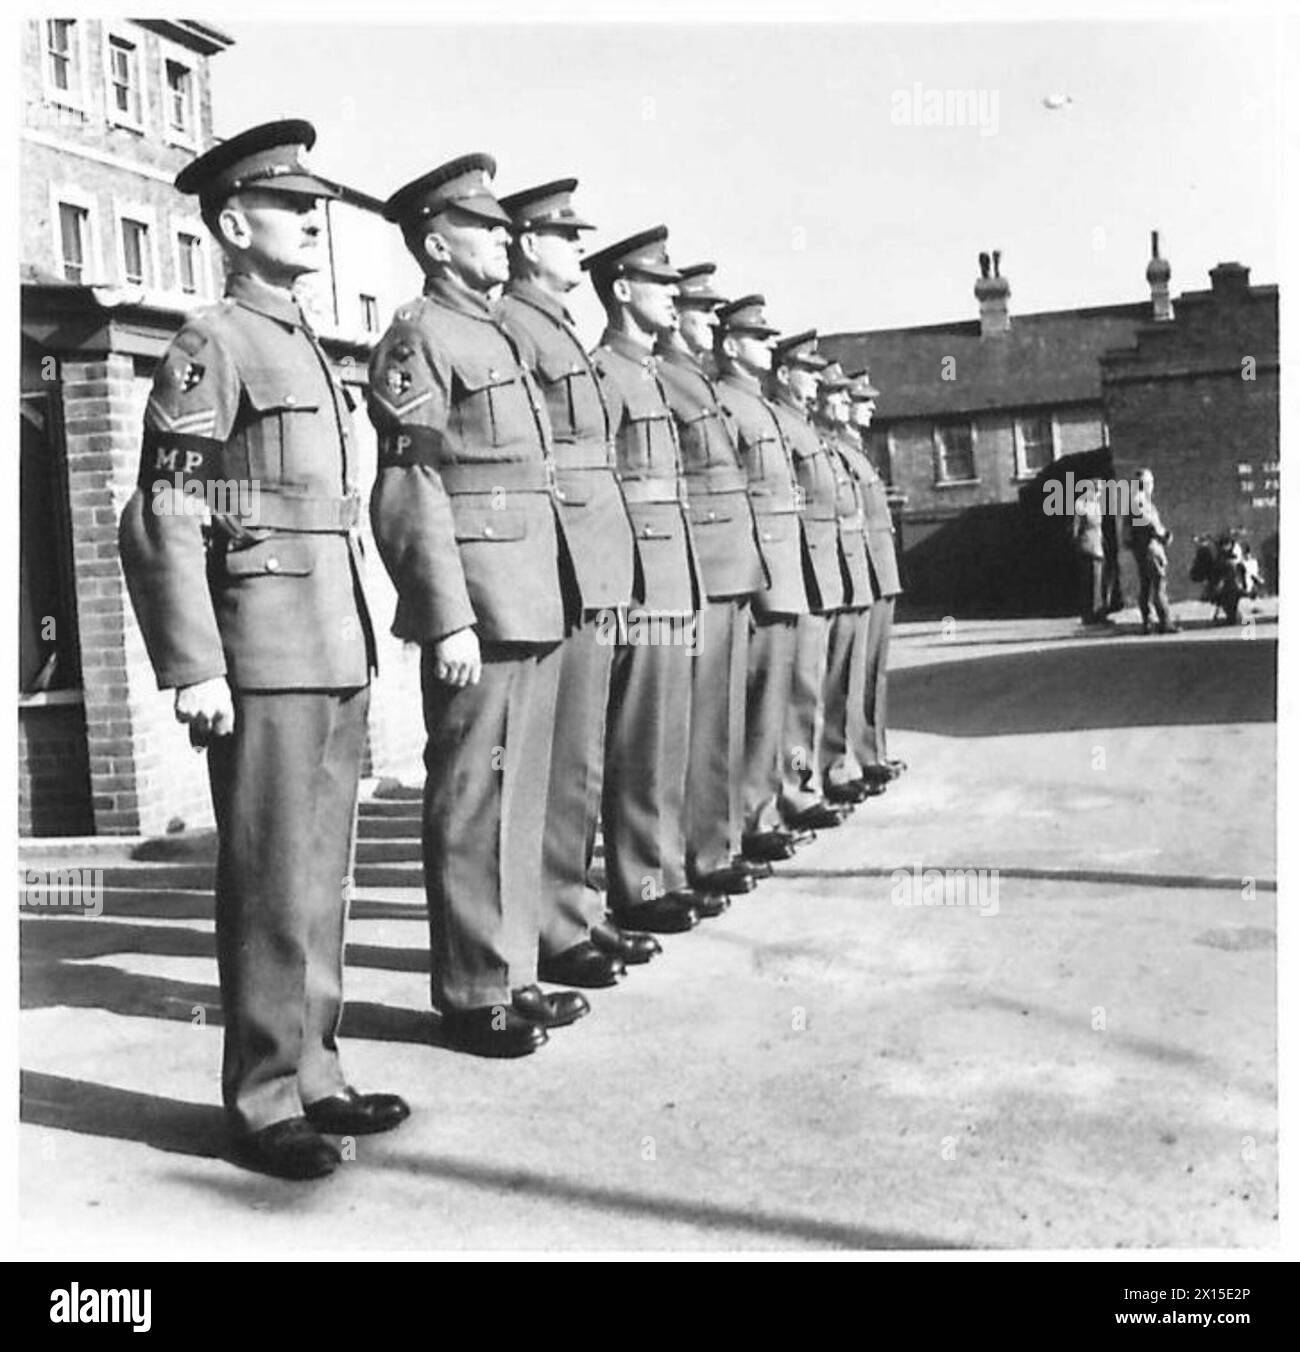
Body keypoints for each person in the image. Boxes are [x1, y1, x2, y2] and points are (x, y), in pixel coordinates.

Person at [118, 120, 409, 1181]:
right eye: (291, 206)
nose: (311, 219)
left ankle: (316, 1071)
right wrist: (194, 664)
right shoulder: (215, 341)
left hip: (330, 639)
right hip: (262, 648)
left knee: (321, 876)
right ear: (236, 225)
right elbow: (164, 508)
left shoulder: (301, 341)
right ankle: (261, 1096)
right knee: (267, 878)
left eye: (312, 205)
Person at [368, 153, 588, 1058]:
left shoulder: (494, 334)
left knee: (520, 794)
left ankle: (514, 973)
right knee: (472, 797)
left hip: (532, 590)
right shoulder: (420, 338)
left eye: (505, 226)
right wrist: (444, 612)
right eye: (485, 226)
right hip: (482, 604)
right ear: (436, 242)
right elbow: (407, 486)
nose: (504, 237)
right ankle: (469, 992)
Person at [494, 177, 661, 982]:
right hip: (553, 560)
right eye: (565, 236)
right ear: (528, 244)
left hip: (594, 560)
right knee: (551, 762)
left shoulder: (556, 332)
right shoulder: (513, 329)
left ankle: (573, 911)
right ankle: (548, 929)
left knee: (580, 757)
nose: (578, 247)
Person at [583, 227, 728, 933]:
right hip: (639, 574)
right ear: (621, 290)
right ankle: (639, 884)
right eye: (659, 283)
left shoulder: (650, 373)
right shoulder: (603, 373)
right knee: (639, 739)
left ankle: (667, 871)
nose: (673, 296)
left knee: (670, 735)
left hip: (675, 569)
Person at [655, 263, 769, 896]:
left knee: (718, 722)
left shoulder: (696, 382)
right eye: (700, 311)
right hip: (687, 565)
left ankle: (715, 846)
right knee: (685, 730)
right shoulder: (665, 379)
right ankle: (688, 858)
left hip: (720, 566)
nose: (702, 321)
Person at [713, 296, 814, 864]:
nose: (767, 348)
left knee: (791, 707)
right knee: (757, 710)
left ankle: (786, 794)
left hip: (789, 572)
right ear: (730, 346)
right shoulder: (726, 404)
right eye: (757, 339)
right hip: (759, 574)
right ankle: (754, 814)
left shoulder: (771, 414)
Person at [765, 331, 850, 833]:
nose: (815, 382)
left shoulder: (806, 429)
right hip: (792, 572)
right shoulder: (780, 423)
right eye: (807, 371)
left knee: (809, 696)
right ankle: (794, 791)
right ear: (783, 374)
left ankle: (804, 786)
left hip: (815, 573)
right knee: (796, 698)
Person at [811, 362, 877, 805]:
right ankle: (815, 777)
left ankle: (850, 760)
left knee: (853, 679)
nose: (850, 405)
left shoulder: (845, 449)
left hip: (852, 569)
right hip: (818, 572)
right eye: (833, 394)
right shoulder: (819, 444)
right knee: (815, 688)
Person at [846, 369, 906, 784]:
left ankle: (873, 752)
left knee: (873, 674)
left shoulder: (859, 452)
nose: (870, 407)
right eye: (861, 401)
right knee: (853, 676)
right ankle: (857, 758)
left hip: (879, 574)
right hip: (859, 573)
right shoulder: (838, 450)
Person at [1126, 467, 1179, 634]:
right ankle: (1165, 622)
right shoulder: (1140, 501)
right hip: (1150, 547)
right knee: (1158, 584)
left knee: (1146, 585)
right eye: (1151, 482)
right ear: (1147, 483)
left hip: (1140, 548)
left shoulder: (1134, 500)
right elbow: (1149, 523)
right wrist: (1164, 535)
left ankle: (1148, 622)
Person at [1072, 478, 1108, 626]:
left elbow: (1099, 527)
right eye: (1097, 490)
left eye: (1101, 490)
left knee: (1098, 582)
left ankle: (1097, 613)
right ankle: (1090, 615)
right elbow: (1076, 527)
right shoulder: (1082, 504)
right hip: (1088, 546)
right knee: (1091, 582)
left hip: (1097, 546)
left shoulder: (1096, 504)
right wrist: (1079, 544)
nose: (1099, 493)